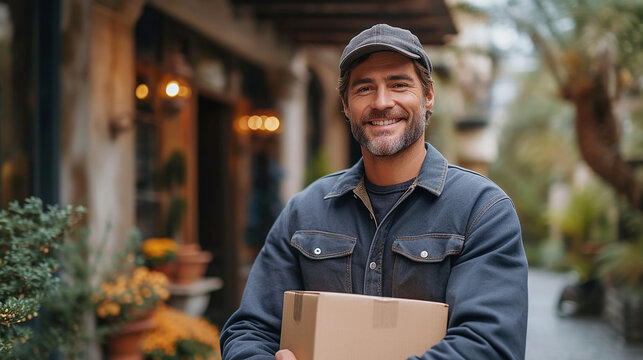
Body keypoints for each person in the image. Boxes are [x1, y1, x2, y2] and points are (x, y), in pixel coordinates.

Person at [220, 24, 528, 360]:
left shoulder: (481, 210)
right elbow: (248, 330)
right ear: (345, 104)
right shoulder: (303, 213)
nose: (382, 102)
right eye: (364, 88)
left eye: (399, 84)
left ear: (427, 96)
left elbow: (488, 346)